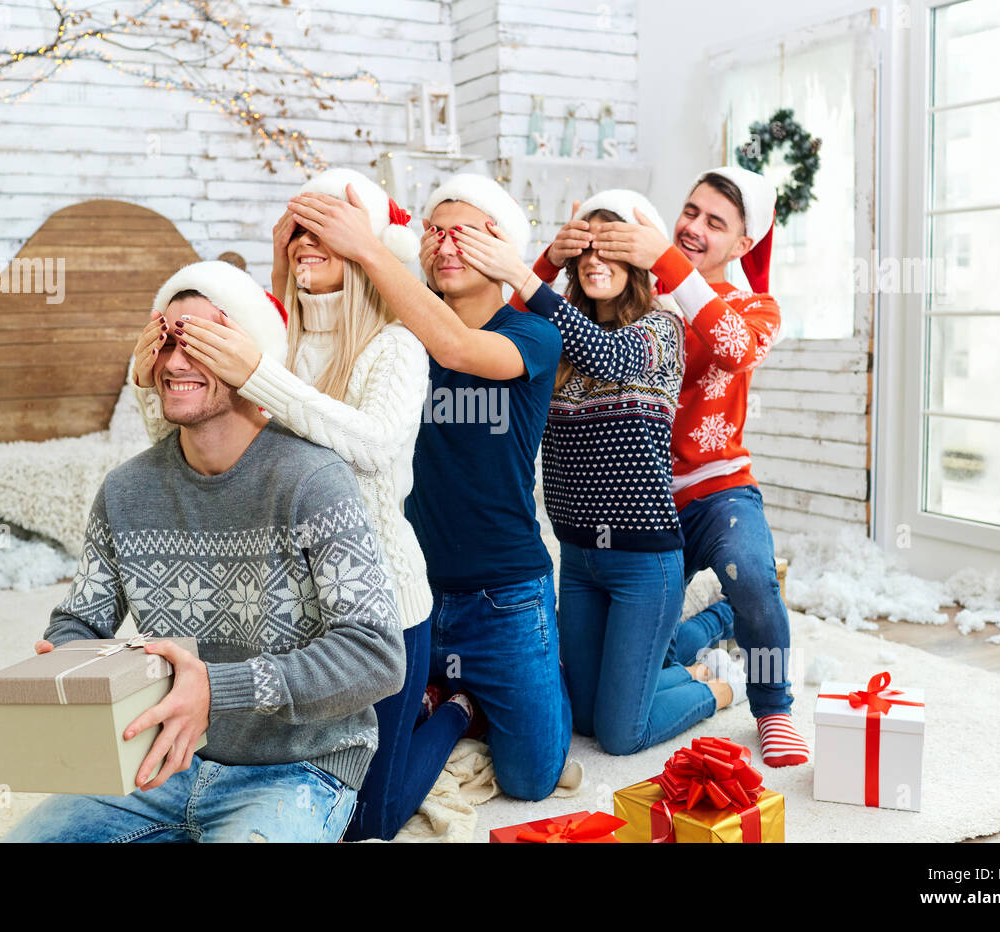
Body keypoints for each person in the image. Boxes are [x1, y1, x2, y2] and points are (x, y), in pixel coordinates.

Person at [3, 261, 406, 843]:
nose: (174, 361)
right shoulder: (125, 490)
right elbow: (77, 620)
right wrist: (68, 665)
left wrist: (217, 688)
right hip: (158, 758)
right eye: (165, 338)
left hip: (294, 769)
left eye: (201, 340)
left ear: (250, 358)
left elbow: (375, 655)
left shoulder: (314, 481)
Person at [129, 169, 471, 842]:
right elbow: (193, 459)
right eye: (298, 226)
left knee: (370, 820)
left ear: (368, 244)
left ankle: (453, 709)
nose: (307, 240)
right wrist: (147, 385)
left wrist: (259, 375)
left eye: (328, 227)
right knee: (288, 780)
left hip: (384, 611)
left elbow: (370, 448)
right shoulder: (274, 341)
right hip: (290, 614)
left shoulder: (396, 346)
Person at [283, 173, 572, 801]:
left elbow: (461, 347)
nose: (443, 244)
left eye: (462, 233)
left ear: (501, 249)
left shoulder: (533, 335)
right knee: (364, 766)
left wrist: (366, 248)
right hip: (409, 592)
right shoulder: (396, 330)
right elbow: (321, 322)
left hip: (505, 597)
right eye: (433, 231)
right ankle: (460, 701)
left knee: (531, 779)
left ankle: (575, 670)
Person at [522, 168, 807, 767]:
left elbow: (736, 345)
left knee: (753, 575)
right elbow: (547, 324)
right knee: (632, 660)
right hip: (635, 505)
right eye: (690, 211)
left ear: (744, 244)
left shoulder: (751, 306)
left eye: (715, 222)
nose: (694, 228)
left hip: (715, 488)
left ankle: (773, 702)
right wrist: (561, 254)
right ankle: (711, 628)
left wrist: (668, 261)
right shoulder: (636, 293)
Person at [450, 189, 745, 755]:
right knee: (581, 715)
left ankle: (717, 679)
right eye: (583, 251)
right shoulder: (552, 339)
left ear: (635, 263)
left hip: (645, 562)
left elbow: (609, 357)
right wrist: (544, 262)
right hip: (579, 559)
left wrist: (527, 274)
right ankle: (680, 648)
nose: (593, 261)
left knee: (618, 734)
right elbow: (501, 319)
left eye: (609, 249)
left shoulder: (662, 331)